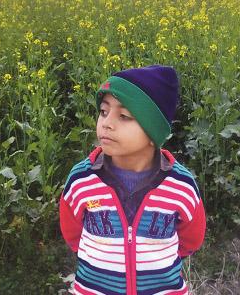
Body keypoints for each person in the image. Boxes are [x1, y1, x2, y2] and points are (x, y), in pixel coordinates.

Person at [59, 65, 206, 295]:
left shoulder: (181, 185)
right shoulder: (81, 179)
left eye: (124, 116)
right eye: (104, 112)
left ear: (153, 133)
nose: (107, 123)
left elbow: (190, 240)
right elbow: (73, 234)